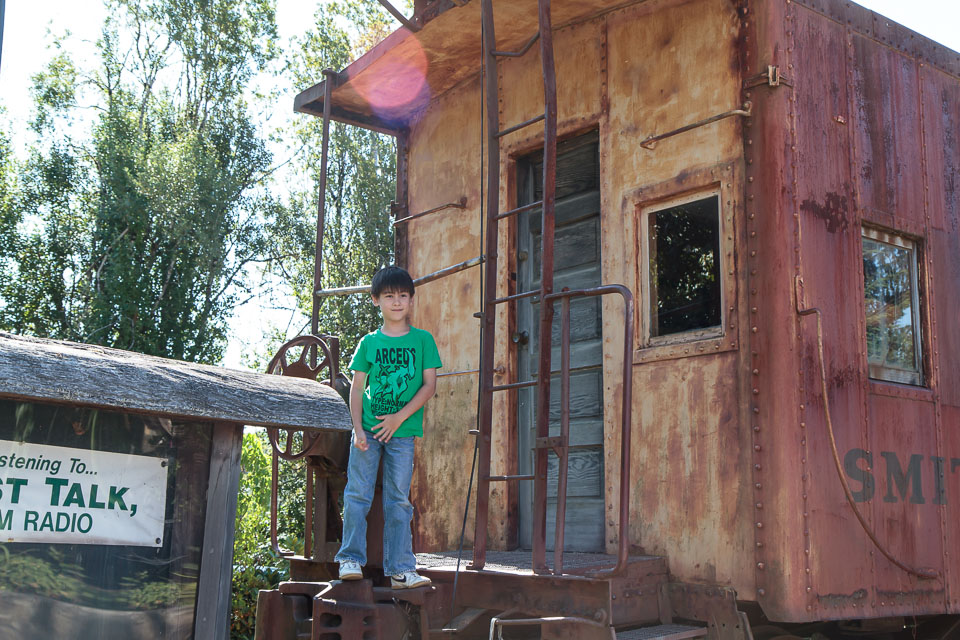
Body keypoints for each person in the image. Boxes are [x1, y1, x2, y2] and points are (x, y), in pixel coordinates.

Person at [335, 265, 441, 589]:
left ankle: (400, 570)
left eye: (403, 295)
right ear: (375, 300)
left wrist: (398, 418)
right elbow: (356, 388)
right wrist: (357, 429)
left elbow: (429, 386)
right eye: (389, 296)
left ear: (411, 300)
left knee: (398, 501)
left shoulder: (423, 340)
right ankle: (349, 560)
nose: (396, 302)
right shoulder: (369, 342)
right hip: (368, 430)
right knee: (357, 494)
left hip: (403, 433)